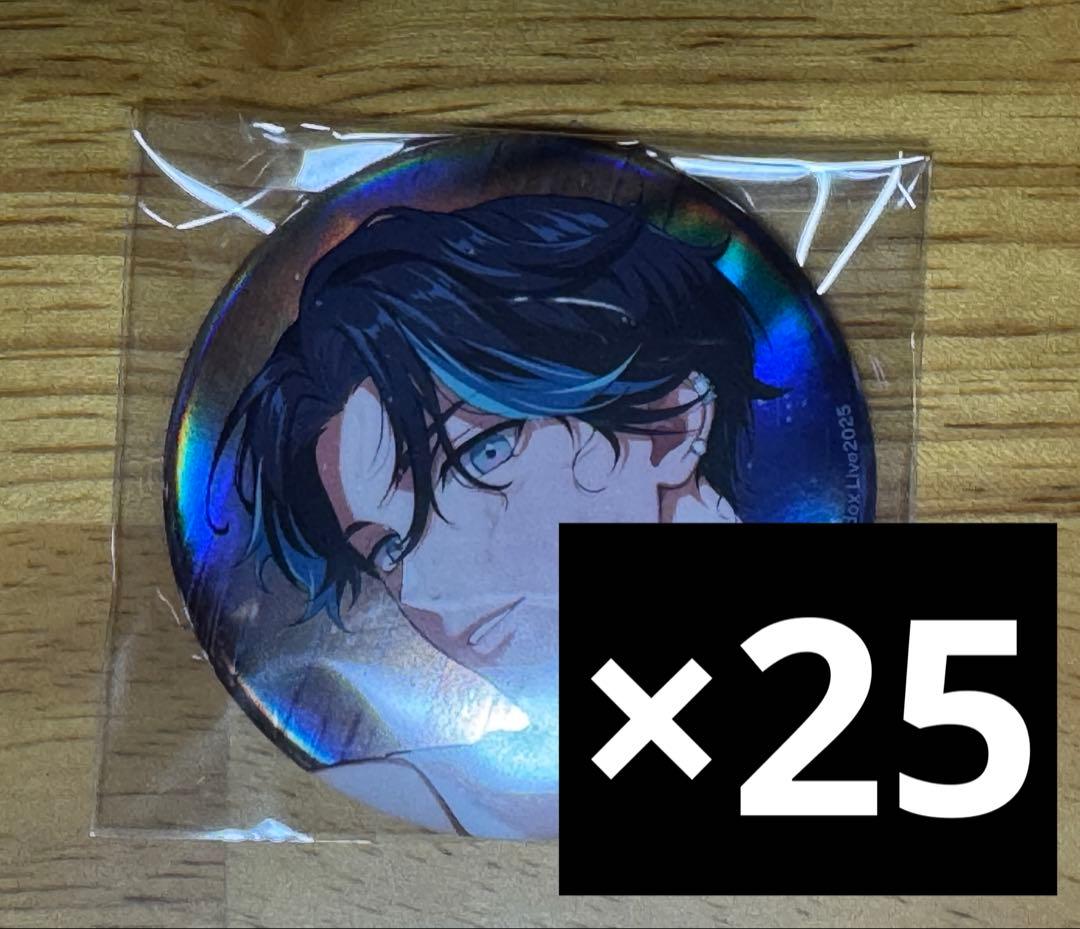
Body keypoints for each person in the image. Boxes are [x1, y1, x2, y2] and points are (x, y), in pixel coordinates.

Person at [212, 194, 779, 837]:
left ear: (671, 425)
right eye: (388, 547)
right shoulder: (417, 800)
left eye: (479, 455)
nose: (428, 590)